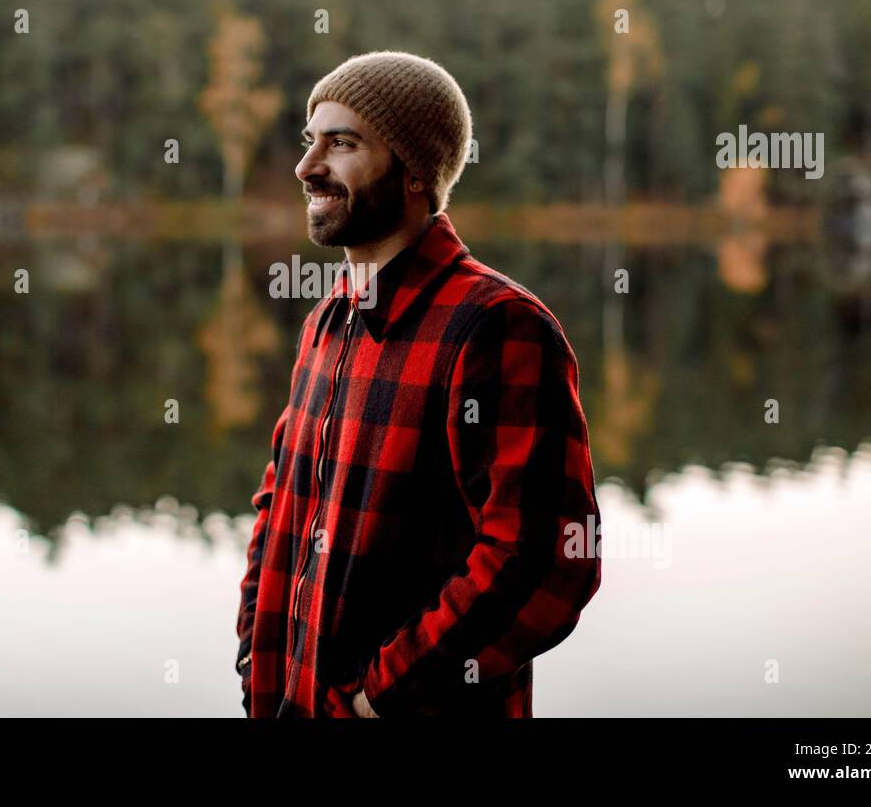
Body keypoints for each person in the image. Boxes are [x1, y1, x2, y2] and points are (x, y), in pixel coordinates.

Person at [235, 50, 602, 717]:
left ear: (413, 172)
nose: (306, 166)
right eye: (309, 140)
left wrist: (383, 695)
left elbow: (543, 563)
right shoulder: (326, 320)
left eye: (342, 143)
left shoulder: (499, 328)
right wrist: (254, 651)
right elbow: (279, 505)